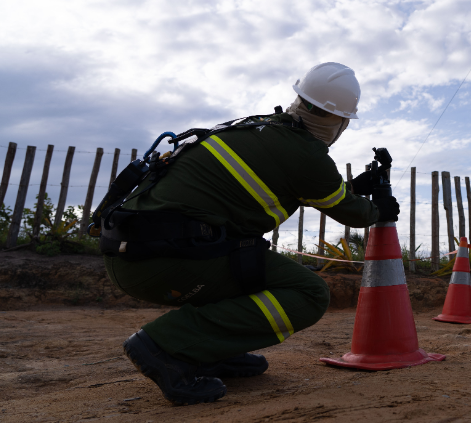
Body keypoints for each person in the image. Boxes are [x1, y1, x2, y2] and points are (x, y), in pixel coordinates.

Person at [101, 62, 399, 405]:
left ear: (299, 99)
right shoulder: (307, 155)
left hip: (135, 251)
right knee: (308, 293)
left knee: (247, 261)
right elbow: (355, 214)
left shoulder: (259, 127)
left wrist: (351, 188)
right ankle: (164, 345)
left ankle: (212, 350)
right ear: (342, 121)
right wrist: (380, 208)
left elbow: (302, 185)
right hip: (165, 261)